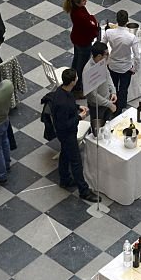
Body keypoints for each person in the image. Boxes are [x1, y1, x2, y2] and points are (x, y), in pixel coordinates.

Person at [48, 69, 98, 202]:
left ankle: (65, 179)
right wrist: (80, 117)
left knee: (65, 153)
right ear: (71, 82)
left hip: (66, 133)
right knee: (76, 162)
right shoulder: (62, 102)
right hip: (67, 134)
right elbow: (65, 124)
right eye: (76, 78)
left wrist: (78, 108)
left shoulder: (62, 91)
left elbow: (70, 104)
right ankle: (84, 191)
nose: (77, 79)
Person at [105, 10, 139, 114]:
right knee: (123, 89)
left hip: (112, 65)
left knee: (113, 87)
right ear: (127, 21)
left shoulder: (109, 32)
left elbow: (102, 46)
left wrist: (106, 59)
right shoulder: (131, 37)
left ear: (117, 20)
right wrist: (135, 68)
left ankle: (112, 107)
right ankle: (121, 108)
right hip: (126, 67)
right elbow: (137, 56)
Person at [64, 0, 98, 93]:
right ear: (78, 3)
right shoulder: (80, 15)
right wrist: (93, 20)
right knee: (82, 66)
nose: (86, 1)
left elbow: (90, 21)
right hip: (83, 42)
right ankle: (77, 88)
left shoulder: (77, 9)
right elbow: (92, 24)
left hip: (77, 38)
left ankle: (72, 80)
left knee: (77, 59)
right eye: (83, 0)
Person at [83, 41, 117, 124]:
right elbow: (93, 96)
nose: (108, 56)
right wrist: (109, 104)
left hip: (106, 100)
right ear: (99, 56)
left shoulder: (101, 62)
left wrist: (113, 91)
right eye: (107, 54)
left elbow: (108, 76)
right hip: (97, 106)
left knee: (107, 125)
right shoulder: (88, 71)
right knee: (97, 129)